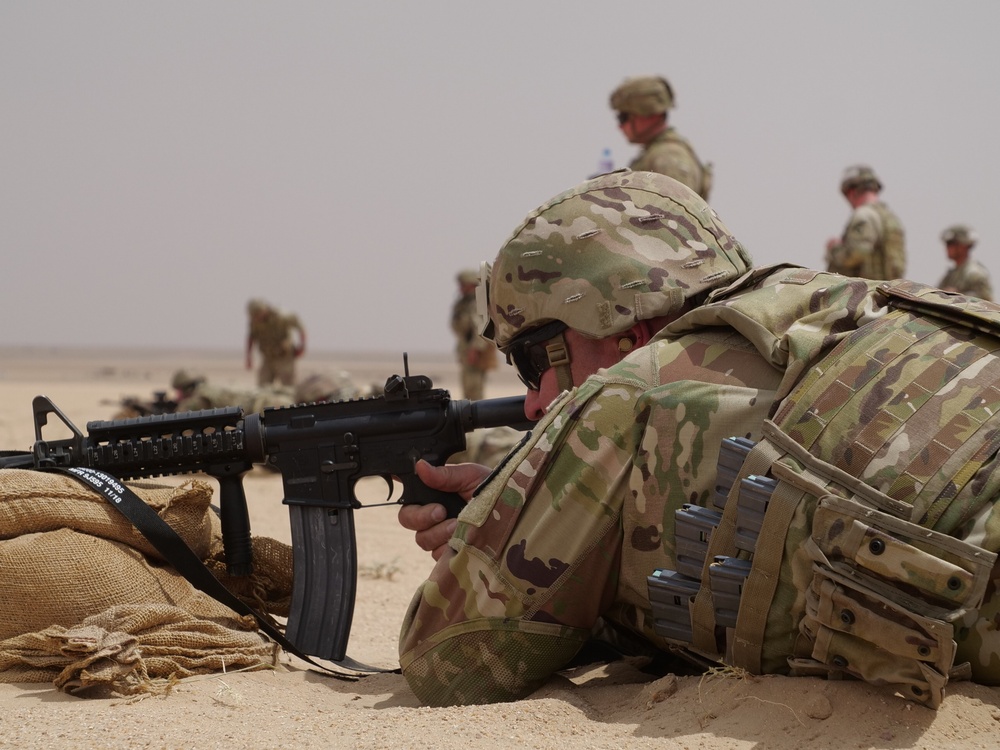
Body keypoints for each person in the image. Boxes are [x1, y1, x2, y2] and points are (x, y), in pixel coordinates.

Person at [397, 170, 1000, 709]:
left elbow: (448, 661)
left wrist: (491, 533)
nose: (531, 400)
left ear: (621, 328)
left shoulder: (625, 395)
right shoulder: (837, 307)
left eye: (532, 361)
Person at [609, 76, 711, 199]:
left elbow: (674, 213)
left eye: (623, 117)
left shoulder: (668, 157)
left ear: (648, 115)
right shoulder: (655, 153)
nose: (620, 126)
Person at [825, 164, 906, 280]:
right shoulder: (889, 217)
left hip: (866, 292)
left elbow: (858, 252)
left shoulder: (864, 215)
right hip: (888, 290)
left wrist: (835, 248)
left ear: (851, 192)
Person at [451, 270, 497, 400]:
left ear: (471, 285)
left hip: (475, 351)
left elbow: (480, 328)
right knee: (468, 387)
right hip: (466, 348)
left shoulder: (477, 302)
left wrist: (475, 349)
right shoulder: (464, 303)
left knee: (474, 388)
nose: (460, 288)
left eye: (463, 285)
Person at [245, 299, 307, 387]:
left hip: (284, 357)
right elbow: (251, 338)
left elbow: (301, 328)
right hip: (268, 358)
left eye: (257, 314)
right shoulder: (255, 322)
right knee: (263, 387)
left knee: (289, 387)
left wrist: (302, 347)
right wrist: (249, 357)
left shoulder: (281, 316)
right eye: (254, 316)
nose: (256, 318)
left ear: (263, 310)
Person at [939, 224, 992, 301]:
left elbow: (987, 301)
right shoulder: (951, 275)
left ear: (963, 246)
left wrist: (959, 295)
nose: (947, 248)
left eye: (951, 243)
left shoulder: (975, 273)